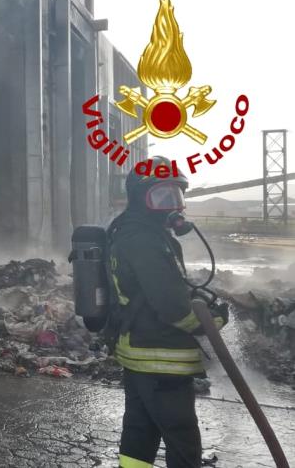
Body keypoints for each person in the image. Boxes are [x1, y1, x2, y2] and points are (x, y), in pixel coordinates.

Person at [107, 156, 228, 468]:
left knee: (140, 431)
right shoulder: (145, 239)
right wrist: (211, 321)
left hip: (138, 352)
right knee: (182, 437)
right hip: (161, 356)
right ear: (140, 200)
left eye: (177, 196)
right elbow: (171, 306)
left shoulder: (133, 233)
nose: (172, 206)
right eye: (162, 197)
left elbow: (158, 289)